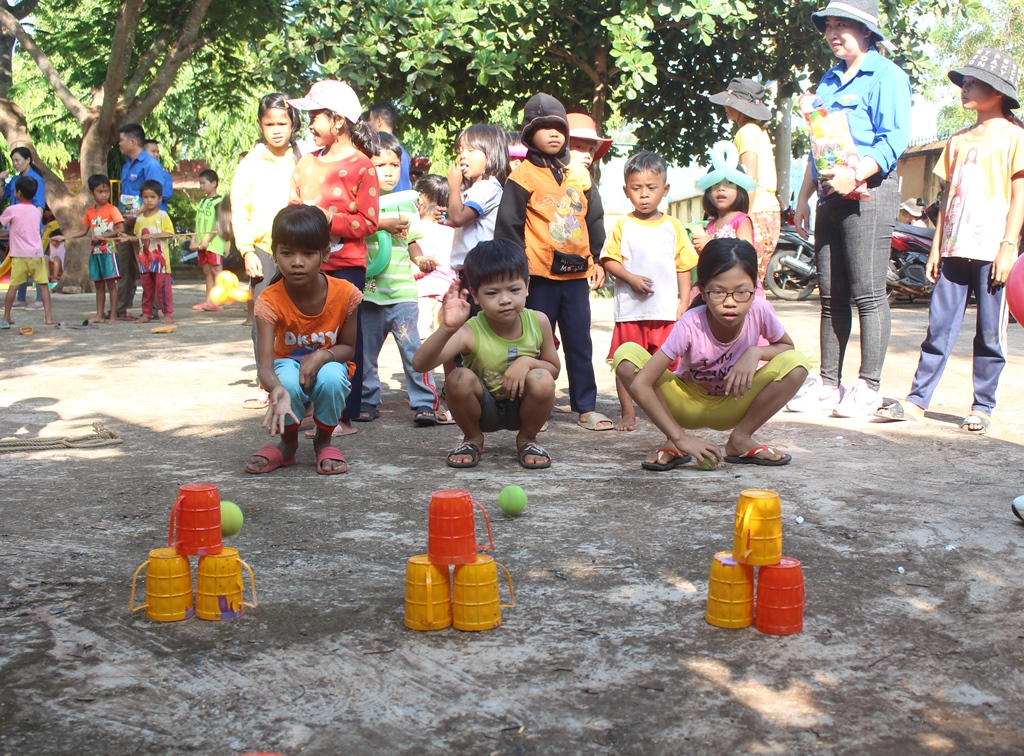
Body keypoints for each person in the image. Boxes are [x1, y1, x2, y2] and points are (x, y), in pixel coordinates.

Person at [876, 49, 1024, 435]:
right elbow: (947, 199)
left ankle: (982, 405)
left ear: (998, 92)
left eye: (973, 82)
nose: (965, 88)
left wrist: (1009, 246)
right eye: (965, 82)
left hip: (993, 250)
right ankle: (918, 401)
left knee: (990, 333)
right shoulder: (957, 141)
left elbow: (1019, 195)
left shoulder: (1015, 136)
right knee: (938, 327)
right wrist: (938, 246)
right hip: (954, 249)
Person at [787, 0, 912, 418]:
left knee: (869, 293)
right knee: (830, 294)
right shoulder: (827, 81)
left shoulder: (887, 76)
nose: (833, 33)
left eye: (843, 25)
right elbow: (816, 144)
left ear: (866, 31)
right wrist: (803, 196)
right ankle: (827, 385)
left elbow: (894, 139)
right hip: (829, 195)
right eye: (829, 26)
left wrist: (857, 174)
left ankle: (869, 387)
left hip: (870, 192)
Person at [614, 238, 810, 470]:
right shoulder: (691, 322)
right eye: (718, 292)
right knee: (626, 355)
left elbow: (787, 347)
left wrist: (756, 352)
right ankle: (673, 443)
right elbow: (641, 384)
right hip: (685, 406)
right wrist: (680, 438)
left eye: (741, 292)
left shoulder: (760, 310)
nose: (730, 302)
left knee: (797, 363)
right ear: (703, 292)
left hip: (736, 401)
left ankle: (740, 439)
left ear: (755, 288)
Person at [494, 92, 610, 431]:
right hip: (537, 276)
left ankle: (586, 408)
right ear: (529, 135)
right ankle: (532, 408)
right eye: (543, 128)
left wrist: (598, 259)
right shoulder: (522, 177)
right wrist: (516, 276)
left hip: (575, 276)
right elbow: (508, 228)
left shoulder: (581, 175)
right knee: (531, 343)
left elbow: (595, 220)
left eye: (558, 127)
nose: (554, 134)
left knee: (579, 342)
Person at [412, 240, 559, 469]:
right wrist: (448, 328)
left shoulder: (538, 321)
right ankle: (472, 439)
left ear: (527, 286)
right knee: (458, 378)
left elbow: (554, 368)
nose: (505, 300)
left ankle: (527, 439)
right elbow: (420, 364)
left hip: (523, 408)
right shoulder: (470, 331)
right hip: (483, 411)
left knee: (542, 378)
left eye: (514, 289)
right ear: (475, 295)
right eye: (492, 292)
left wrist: (527, 362)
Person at [288, 79, 380, 435]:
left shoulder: (363, 166)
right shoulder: (306, 163)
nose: (309, 123)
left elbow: (369, 221)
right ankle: (309, 405)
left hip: (346, 268)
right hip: (305, 268)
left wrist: (328, 219)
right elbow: (293, 206)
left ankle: (344, 417)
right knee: (303, 336)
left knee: (345, 340)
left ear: (338, 121)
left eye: (315, 115)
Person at [244, 205, 361, 476]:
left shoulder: (346, 294)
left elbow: (348, 348)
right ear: (275, 254)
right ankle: (287, 446)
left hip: (329, 364)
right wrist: (277, 390)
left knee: (332, 376)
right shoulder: (269, 300)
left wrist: (321, 355)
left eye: (308, 253)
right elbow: (264, 367)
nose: (297, 262)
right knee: (285, 382)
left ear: (326, 253)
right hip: (286, 366)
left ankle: (324, 441)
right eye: (287, 253)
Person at [600, 151, 698, 431]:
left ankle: (668, 413)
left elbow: (685, 265)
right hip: (631, 312)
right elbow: (608, 259)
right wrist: (629, 278)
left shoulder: (673, 226)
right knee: (624, 364)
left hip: (665, 312)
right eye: (636, 188)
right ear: (626, 191)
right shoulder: (623, 225)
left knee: (667, 365)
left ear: (664, 190)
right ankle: (628, 411)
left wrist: (684, 301)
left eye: (651, 188)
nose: (644, 195)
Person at [360, 132, 439, 425]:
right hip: (369, 292)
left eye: (395, 165)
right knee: (366, 351)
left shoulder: (407, 204)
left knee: (412, 349)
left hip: (402, 295)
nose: (389, 171)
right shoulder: (360, 204)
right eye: (381, 165)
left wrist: (421, 260)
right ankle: (366, 399)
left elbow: (413, 242)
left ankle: (424, 403)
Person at [232, 93, 303, 407]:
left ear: (292, 123)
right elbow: (240, 209)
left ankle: (299, 380)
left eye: (282, 123)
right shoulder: (250, 163)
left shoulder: (303, 158)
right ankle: (266, 384)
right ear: (260, 126)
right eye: (269, 124)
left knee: (301, 315)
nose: (276, 129)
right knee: (264, 317)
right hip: (262, 249)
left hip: (299, 247)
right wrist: (246, 250)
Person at [708, 77, 782, 281]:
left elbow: (750, 178)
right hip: (767, 211)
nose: (726, 106)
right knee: (751, 278)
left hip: (755, 211)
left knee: (744, 277)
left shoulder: (746, 132)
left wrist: (741, 218)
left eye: (731, 103)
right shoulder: (757, 131)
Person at [117, 123, 172, 319]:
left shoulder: (151, 165)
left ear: (132, 141)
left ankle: (155, 310)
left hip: (146, 224)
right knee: (124, 266)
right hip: (128, 222)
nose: (119, 144)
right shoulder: (126, 165)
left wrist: (136, 215)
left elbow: (155, 195)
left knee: (151, 266)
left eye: (122, 140)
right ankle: (120, 308)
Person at [54, 174, 123, 325]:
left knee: (111, 285)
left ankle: (113, 316)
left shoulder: (113, 209)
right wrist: (64, 237)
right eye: (100, 191)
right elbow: (83, 231)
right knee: (98, 284)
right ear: (92, 193)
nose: (104, 195)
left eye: (106, 191)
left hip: (109, 251)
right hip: (95, 252)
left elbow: (120, 229)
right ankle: (99, 315)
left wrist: (104, 235)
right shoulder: (89, 212)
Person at [447, 124, 509, 274]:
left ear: (491, 154)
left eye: (470, 150)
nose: (462, 155)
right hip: (472, 269)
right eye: (460, 150)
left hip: (481, 269)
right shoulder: (479, 188)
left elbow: (458, 218)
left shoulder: (487, 187)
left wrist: (454, 186)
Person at [0, 176, 54, 328]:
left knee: (13, 286)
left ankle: (6, 317)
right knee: (43, 286)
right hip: (36, 255)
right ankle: (48, 317)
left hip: (19, 256)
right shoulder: (37, 211)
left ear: (17, 193)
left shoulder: (12, 210)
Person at [413, 173, 457, 339]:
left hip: (421, 293)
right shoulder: (453, 231)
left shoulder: (413, 229)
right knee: (443, 342)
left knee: (420, 343)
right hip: (447, 293)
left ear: (420, 202)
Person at [1, 147, 46, 309]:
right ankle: (21, 297)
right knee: (18, 259)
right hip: (16, 227)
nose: (15, 163)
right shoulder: (15, 180)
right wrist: (1, 180)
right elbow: (3, 195)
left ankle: (40, 299)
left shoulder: (36, 180)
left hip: (31, 227)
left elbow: (40, 205)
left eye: (18, 160)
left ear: (28, 160)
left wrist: (35, 227)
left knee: (36, 261)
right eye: (13, 160)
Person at [130, 179, 175, 325]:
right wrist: (127, 238)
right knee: (147, 288)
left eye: (153, 197)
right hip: (144, 260)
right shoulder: (140, 219)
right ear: (142, 198)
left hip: (160, 260)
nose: (149, 200)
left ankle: (167, 314)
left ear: (160, 198)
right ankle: (146, 313)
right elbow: (138, 237)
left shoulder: (162, 215)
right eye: (146, 197)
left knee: (163, 288)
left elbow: (170, 233)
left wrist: (154, 236)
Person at [192, 169, 226, 311]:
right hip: (202, 244)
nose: (201, 186)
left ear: (214, 183)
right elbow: (197, 223)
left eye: (203, 183)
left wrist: (207, 239)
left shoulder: (220, 202)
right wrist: (194, 239)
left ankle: (218, 302)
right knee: (207, 271)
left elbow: (220, 224)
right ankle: (208, 300)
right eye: (200, 183)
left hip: (214, 243)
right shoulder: (202, 202)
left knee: (217, 271)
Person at [368, 101, 412, 191]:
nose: (369, 125)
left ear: (379, 121)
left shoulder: (374, 149)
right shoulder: (403, 152)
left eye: (370, 120)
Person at [142, 139, 174, 212]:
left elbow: (168, 193)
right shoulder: (138, 170)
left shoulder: (165, 175)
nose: (156, 155)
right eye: (153, 151)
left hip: (159, 214)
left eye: (157, 152)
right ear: (143, 153)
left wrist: (148, 192)